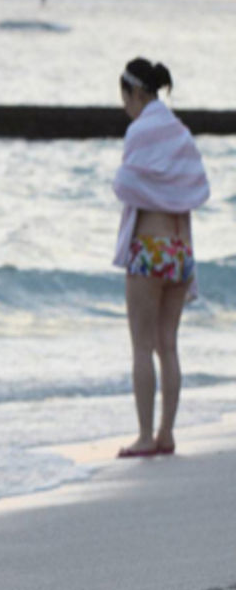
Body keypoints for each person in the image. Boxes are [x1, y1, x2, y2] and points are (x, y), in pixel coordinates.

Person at [111, 58, 209, 458]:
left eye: (126, 99)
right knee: (167, 345)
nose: (126, 109)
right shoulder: (181, 133)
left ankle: (145, 436)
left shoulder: (141, 131)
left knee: (140, 346)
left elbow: (126, 183)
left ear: (136, 93)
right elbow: (193, 185)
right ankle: (167, 433)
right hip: (179, 251)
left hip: (149, 251)